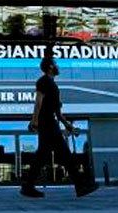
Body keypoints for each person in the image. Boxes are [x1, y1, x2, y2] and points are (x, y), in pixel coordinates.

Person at [20, 55, 99, 198]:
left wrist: (68, 126)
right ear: (50, 66)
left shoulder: (53, 85)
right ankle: (80, 186)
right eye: (55, 64)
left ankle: (28, 186)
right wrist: (35, 121)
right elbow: (38, 102)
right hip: (46, 122)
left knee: (43, 155)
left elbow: (58, 112)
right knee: (64, 154)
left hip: (51, 122)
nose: (58, 66)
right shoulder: (43, 81)